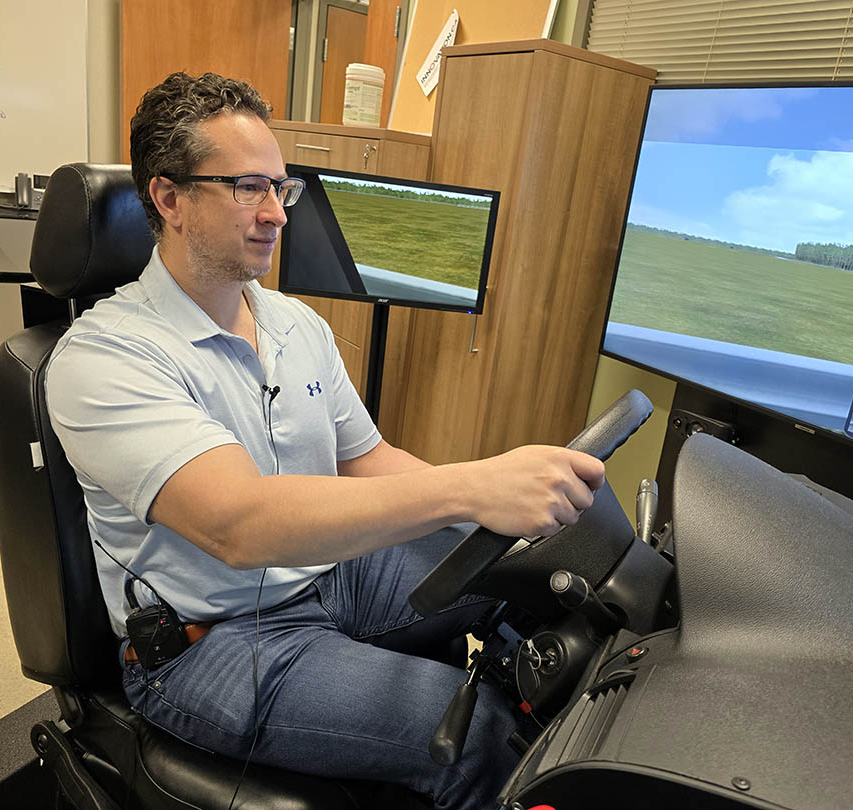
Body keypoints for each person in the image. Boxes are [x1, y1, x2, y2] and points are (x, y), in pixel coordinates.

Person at [45, 71, 604, 810]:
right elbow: (240, 525)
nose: (277, 212)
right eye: (248, 188)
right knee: (479, 738)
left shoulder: (294, 325)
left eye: (283, 187)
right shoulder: (103, 358)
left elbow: (370, 461)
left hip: (325, 577)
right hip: (211, 642)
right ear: (169, 198)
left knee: (527, 584)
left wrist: (502, 520)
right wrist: (472, 486)